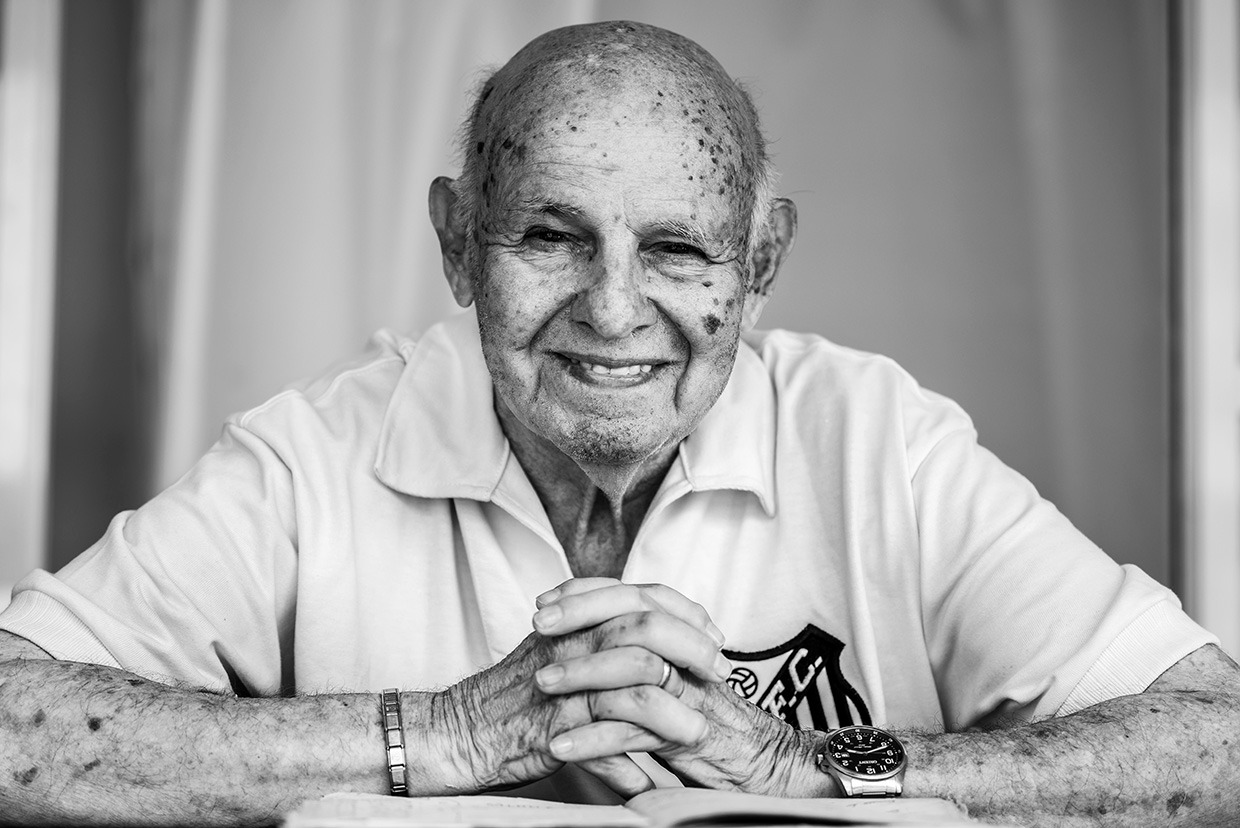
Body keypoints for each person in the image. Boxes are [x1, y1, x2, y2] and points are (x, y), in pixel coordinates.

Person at [0, 19, 1235, 827]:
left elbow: (1214, 741)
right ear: (457, 244)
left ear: (760, 263)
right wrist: (436, 735)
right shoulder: (311, 458)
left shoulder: (880, 444)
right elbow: (16, 727)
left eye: (678, 249)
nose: (612, 308)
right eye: (550, 235)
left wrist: (808, 768)